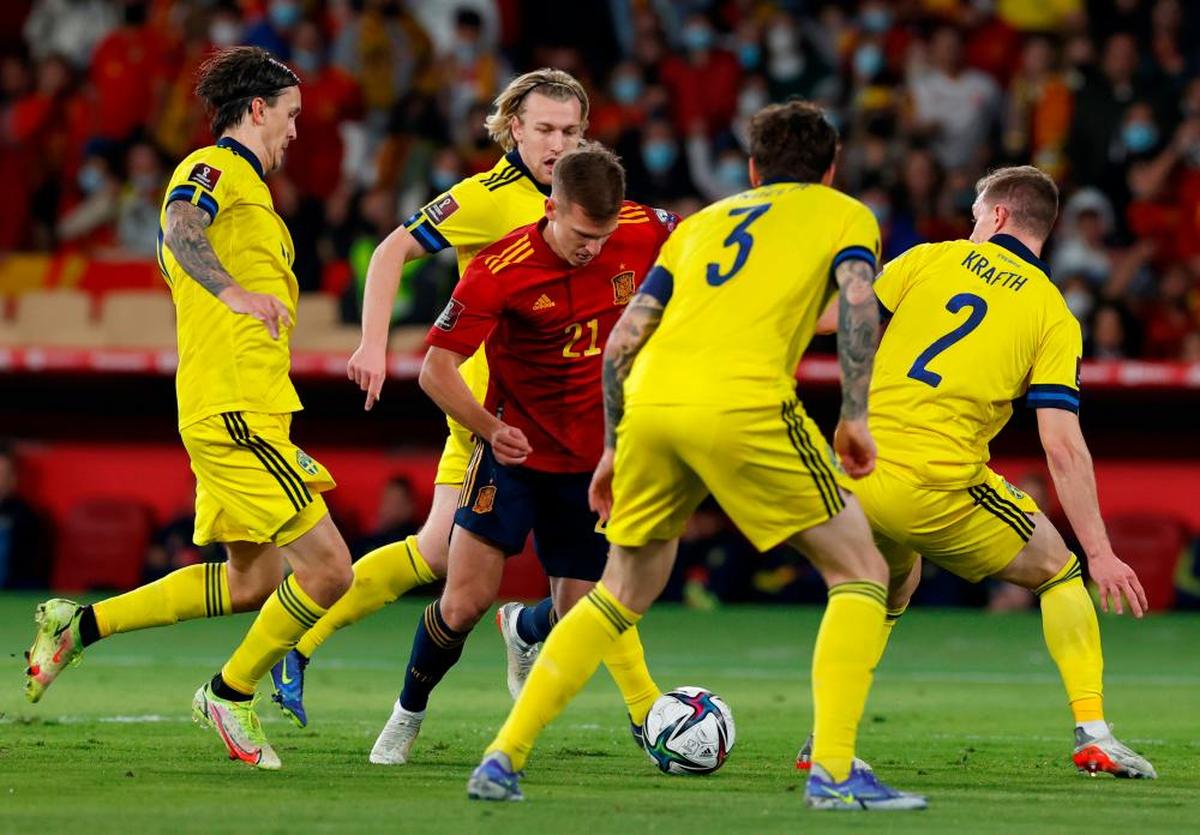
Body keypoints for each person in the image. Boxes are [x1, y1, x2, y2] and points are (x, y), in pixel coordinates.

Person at [468, 101, 925, 811]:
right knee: (863, 568)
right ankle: (833, 771)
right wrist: (856, 414)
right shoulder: (846, 215)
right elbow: (860, 302)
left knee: (618, 591)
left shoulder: (705, 222)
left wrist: (617, 445)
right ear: (831, 170)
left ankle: (503, 756)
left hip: (650, 401)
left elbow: (623, 340)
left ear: (750, 169)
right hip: (744, 402)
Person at [23, 47, 354, 771]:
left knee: (252, 581)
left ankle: (78, 622)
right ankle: (229, 692)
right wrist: (234, 293)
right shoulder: (216, 168)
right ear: (258, 109)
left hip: (247, 405)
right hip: (234, 408)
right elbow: (179, 224)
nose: (297, 131)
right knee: (331, 571)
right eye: (292, 115)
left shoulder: (255, 195)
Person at [794, 166, 1155, 780]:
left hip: (853, 468)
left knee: (884, 589)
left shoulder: (930, 258)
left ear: (999, 217)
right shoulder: (1054, 315)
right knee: (1059, 570)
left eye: (975, 216)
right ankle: (1094, 733)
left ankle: (824, 743)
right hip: (936, 485)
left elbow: (832, 319)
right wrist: (1100, 552)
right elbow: (1062, 445)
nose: (971, 226)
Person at [269, 69, 599, 728]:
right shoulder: (483, 196)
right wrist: (372, 343)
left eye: (569, 130)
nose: (557, 142)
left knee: (437, 552)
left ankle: (294, 640)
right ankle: (645, 714)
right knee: (594, 573)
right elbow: (392, 251)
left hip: (552, 414)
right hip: (488, 413)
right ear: (514, 130)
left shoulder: (586, 200)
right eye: (544, 130)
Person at [369, 146, 671, 765]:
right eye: (583, 234)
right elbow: (436, 370)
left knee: (585, 615)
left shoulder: (645, 228)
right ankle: (406, 715)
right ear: (552, 206)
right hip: (514, 455)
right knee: (461, 604)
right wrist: (486, 426)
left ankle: (525, 628)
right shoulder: (500, 269)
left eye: (603, 234)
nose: (593, 247)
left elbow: (706, 242)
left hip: (590, 463)